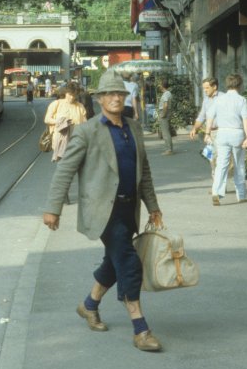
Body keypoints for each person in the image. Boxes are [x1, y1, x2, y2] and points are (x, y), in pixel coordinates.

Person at [43, 69, 164, 352]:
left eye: (119, 94)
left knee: (114, 262)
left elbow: (143, 170)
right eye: (109, 94)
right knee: (129, 264)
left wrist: (153, 206)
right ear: (99, 99)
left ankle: (89, 306)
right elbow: (65, 171)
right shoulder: (86, 131)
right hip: (102, 211)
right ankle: (141, 329)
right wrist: (53, 208)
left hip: (128, 207)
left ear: (124, 97)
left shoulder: (133, 128)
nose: (115, 98)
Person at [207, 73, 247, 206]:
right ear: (240, 85)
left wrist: (207, 132)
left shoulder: (218, 100)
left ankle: (217, 192)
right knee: (239, 164)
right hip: (237, 133)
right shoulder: (242, 100)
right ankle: (242, 195)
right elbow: (246, 121)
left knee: (221, 164)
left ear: (227, 84)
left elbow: (210, 117)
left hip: (222, 133)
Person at [189, 76, 224, 177]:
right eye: (204, 88)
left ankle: (219, 186)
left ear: (215, 87)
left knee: (220, 158)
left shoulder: (223, 97)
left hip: (221, 132)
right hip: (210, 133)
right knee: (211, 157)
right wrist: (195, 129)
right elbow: (201, 116)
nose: (205, 90)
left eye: (207, 88)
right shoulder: (206, 100)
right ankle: (216, 185)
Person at [44, 83, 88, 162]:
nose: (72, 97)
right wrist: (59, 121)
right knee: (64, 165)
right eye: (70, 94)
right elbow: (47, 119)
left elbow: (85, 124)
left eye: (74, 95)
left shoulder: (80, 106)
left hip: (76, 141)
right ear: (65, 93)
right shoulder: (56, 104)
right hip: (60, 141)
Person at [157, 80, 173, 155]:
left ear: (163, 86)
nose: (159, 86)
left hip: (164, 112)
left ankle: (169, 150)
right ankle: (169, 148)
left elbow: (165, 105)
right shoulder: (167, 93)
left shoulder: (166, 94)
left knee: (165, 132)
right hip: (166, 112)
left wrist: (163, 114)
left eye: (160, 85)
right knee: (166, 131)